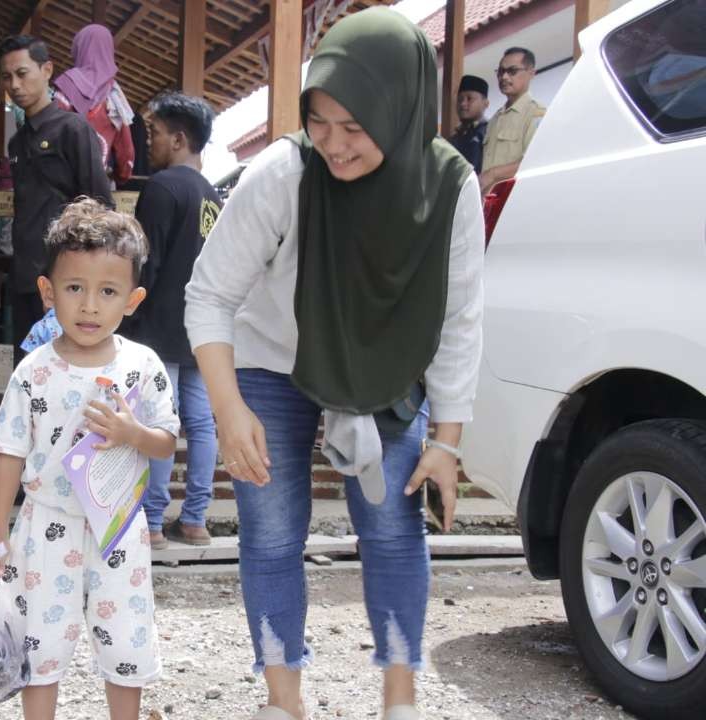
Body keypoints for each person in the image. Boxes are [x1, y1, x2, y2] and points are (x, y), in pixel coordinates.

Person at [184, 8, 484, 720]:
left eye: (356, 127)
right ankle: (283, 701)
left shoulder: (449, 188)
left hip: (383, 367)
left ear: (403, 108)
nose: (334, 145)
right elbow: (208, 296)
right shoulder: (284, 171)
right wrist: (228, 412)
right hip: (269, 362)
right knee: (273, 529)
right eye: (320, 121)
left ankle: (400, 699)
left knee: (390, 526)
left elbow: (460, 319)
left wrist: (447, 442)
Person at [0, 198, 179, 720]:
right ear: (48, 292)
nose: (90, 306)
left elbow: (166, 442)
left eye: (107, 292)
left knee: (126, 640)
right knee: (40, 644)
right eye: (75, 289)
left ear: (132, 300)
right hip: (45, 526)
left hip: (118, 529)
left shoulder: (143, 365)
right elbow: (8, 453)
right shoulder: (33, 372)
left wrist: (131, 431)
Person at [128, 92, 221, 549]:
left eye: (155, 132)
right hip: (202, 330)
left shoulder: (162, 188)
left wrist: (128, 313)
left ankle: (150, 521)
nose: (150, 141)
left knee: (161, 422)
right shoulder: (212, 196)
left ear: (179, 138)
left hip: (160, 328)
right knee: (202, 423)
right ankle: (196, 519)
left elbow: (147, 262)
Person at [0, 34, 113, 365]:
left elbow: (100, 205)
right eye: (7, 77)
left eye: (22, 73)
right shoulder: (17, 142)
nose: (14, 85)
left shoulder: (72, 130)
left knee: (68, 372)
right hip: (25, 277)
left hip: (66, 280)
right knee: (29, 375)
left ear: (47, 69)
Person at [53, 23, 136, 186]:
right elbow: (126, 151)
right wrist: (121, 176)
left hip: (60, 185)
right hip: (95, 187)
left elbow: (50, 133)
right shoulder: (114, 96)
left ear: (79, 49)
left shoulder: (66, 85)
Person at [480, 47, 546, 194]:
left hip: (515, 203)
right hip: (488, 204)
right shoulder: (495, 119)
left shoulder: (536, 114)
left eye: (512, 71)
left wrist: (493, 174)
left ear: (531, 73)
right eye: (501, 71)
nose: (504, 77)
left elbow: (535, 161)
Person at [449, 74, 489, 174]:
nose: (463, 104)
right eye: (460, 99)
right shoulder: (454, 138)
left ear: (486, 103)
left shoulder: (489, 132)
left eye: (469, 98)